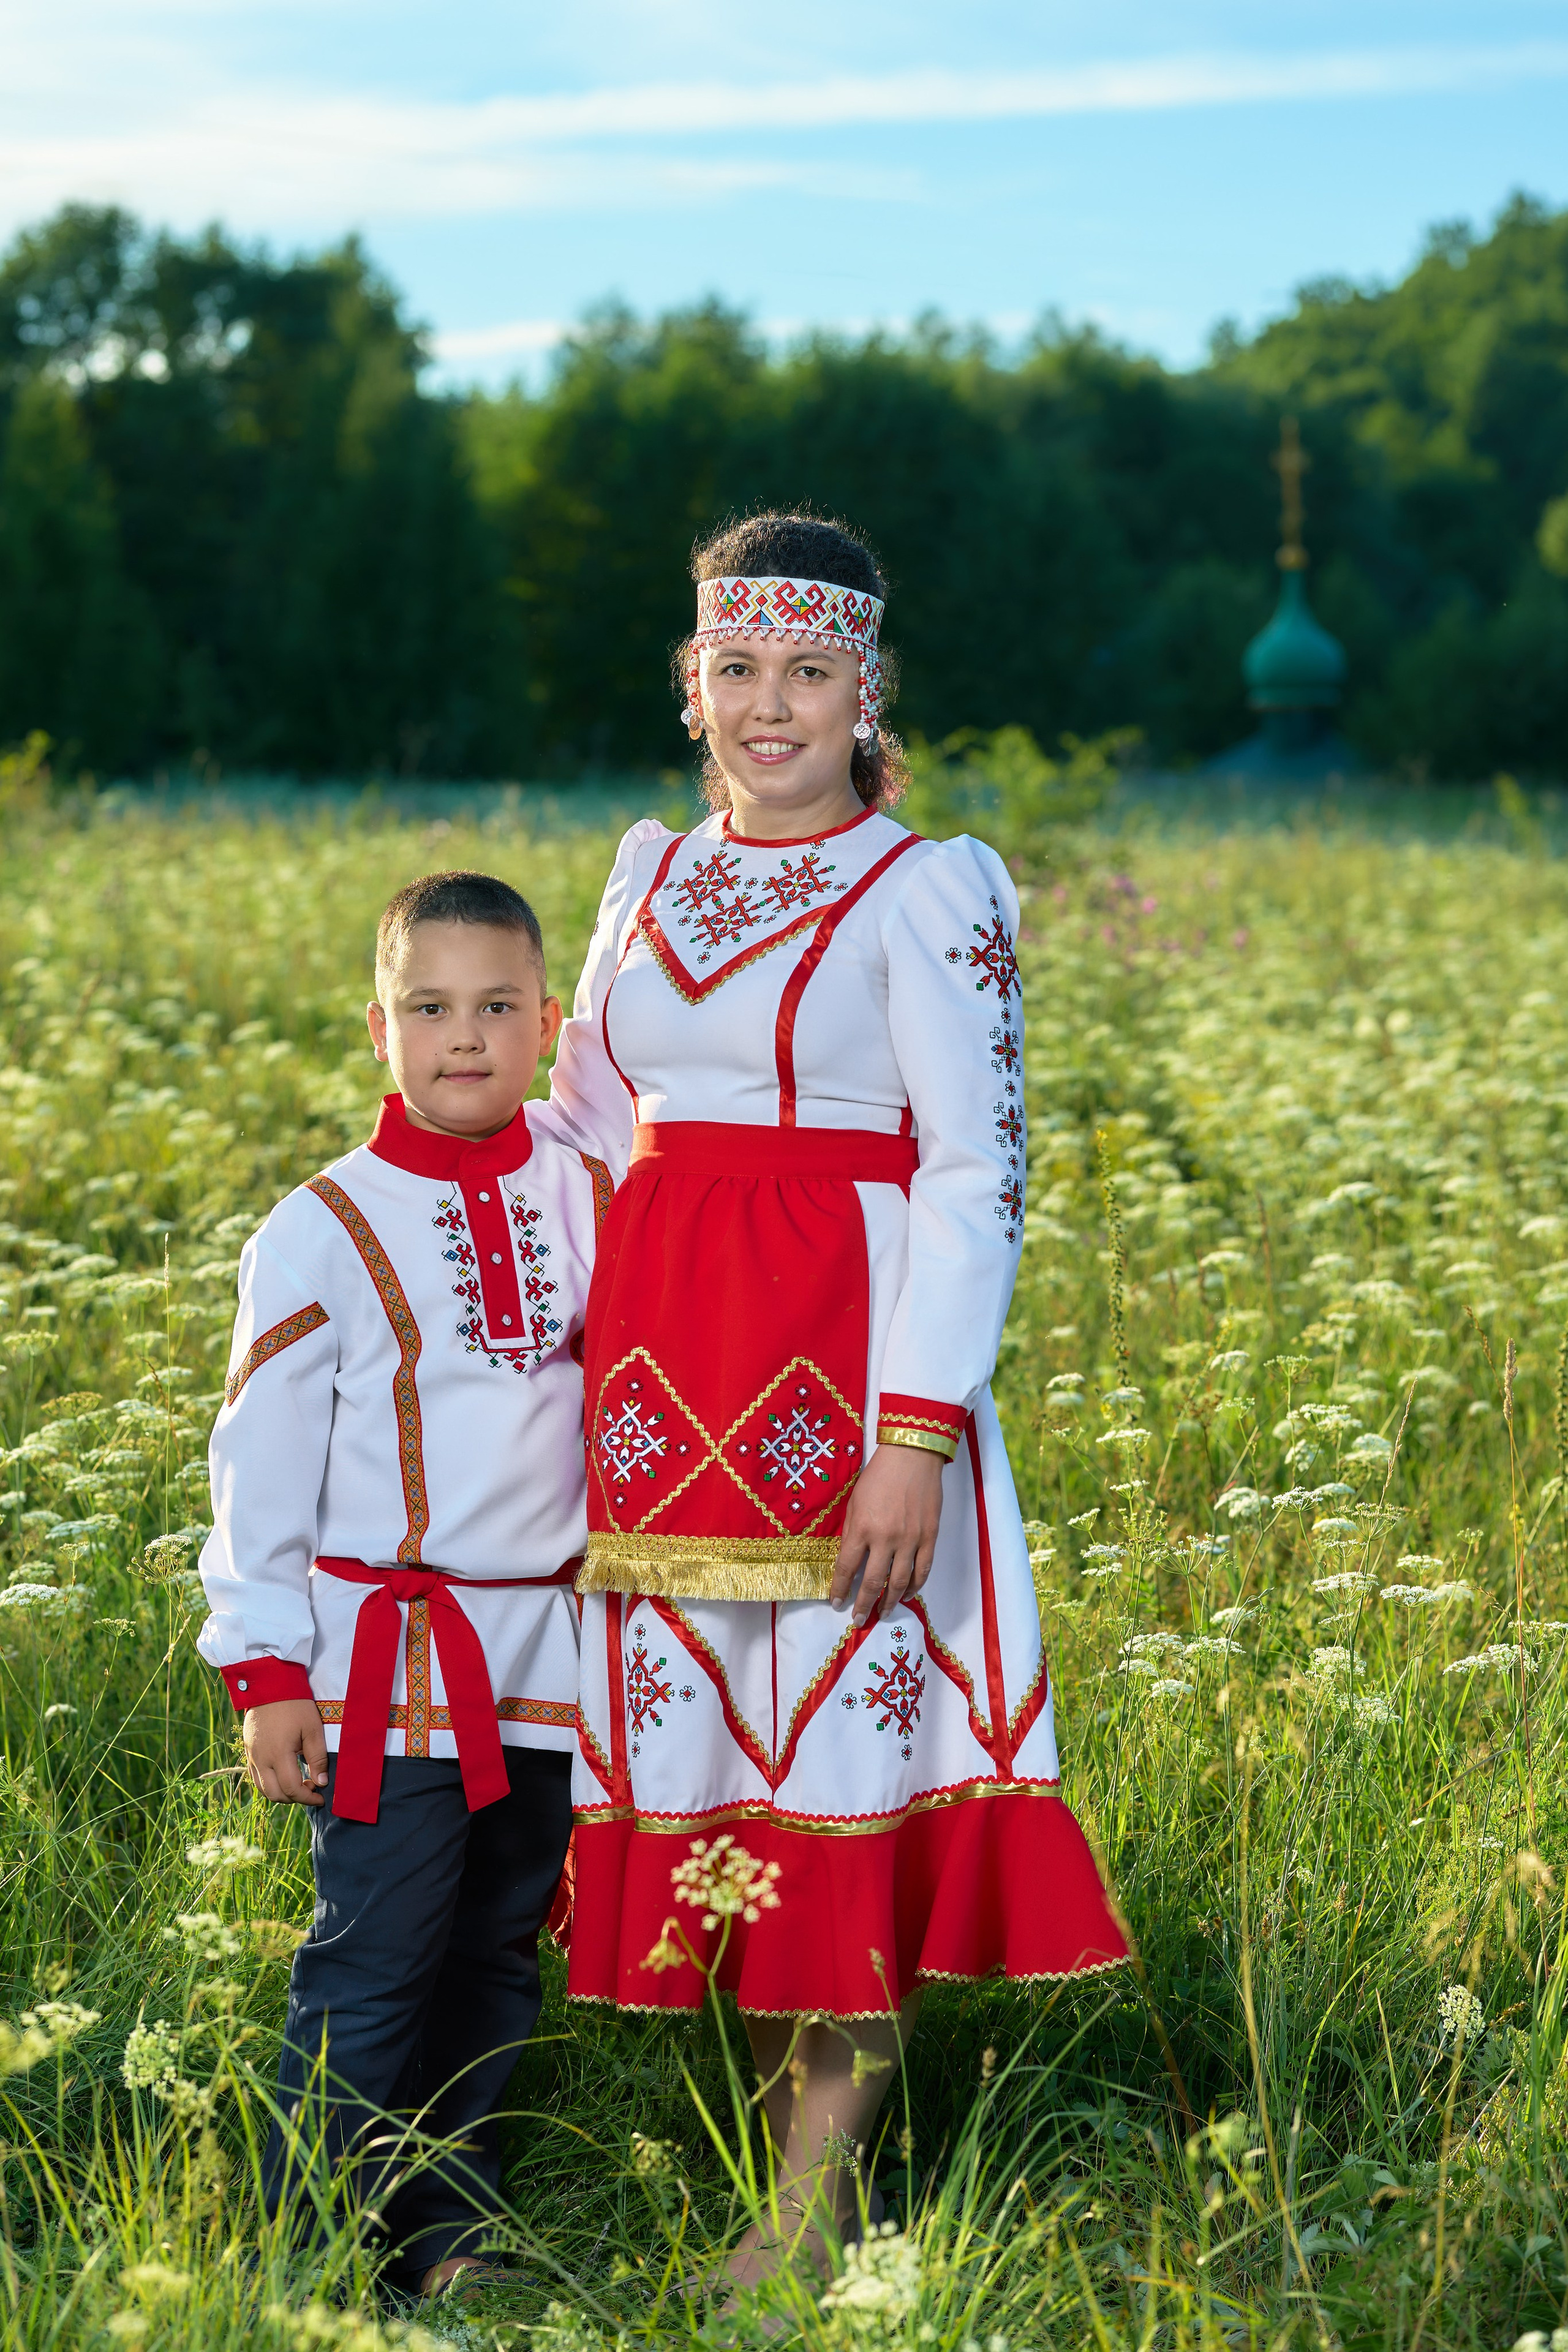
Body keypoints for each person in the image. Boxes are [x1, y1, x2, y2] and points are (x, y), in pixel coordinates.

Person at [545, 513, 1128, 2268]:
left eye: (808, 673)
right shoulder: (643, 872)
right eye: (737, 670)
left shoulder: (930, 885)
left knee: (851, 1758)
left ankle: (804, 2212)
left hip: (848, 1379)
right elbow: (581, 1118)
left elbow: (977, 1174)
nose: (768, 707)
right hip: (655, 1382)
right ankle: (702, 2138)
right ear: (693, 684)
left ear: (869, 689)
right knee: (712, 1750)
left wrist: (917, 1435)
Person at [196, 870, 615, 2301]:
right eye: (428, 1008)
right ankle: (298, 2255)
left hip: (544, 1662)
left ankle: (448, 2239)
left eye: (499, 1008)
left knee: (497, 1955)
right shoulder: (322, 1221)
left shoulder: (584, 1189)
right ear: (377, 1029)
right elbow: (256, 1464)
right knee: (373, 1961)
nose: (464, 1037)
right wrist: (263, 1671)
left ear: (546, 1024)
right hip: (382, 1663)